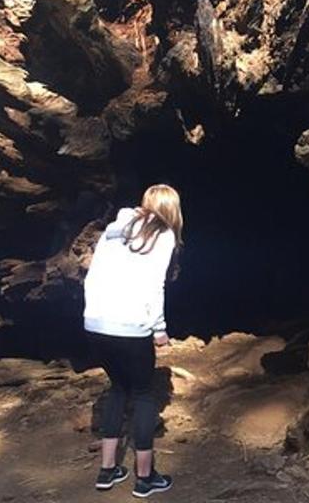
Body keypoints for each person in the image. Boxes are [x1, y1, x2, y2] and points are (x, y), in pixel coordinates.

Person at [83, 184, 183, 498]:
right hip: (132, 325)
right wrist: (159, 328)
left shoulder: (114, 230)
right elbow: (155, 285)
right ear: (171, 210)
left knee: (117, 389)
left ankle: (107, 470)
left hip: (96, 322)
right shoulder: (163, 235)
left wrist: (92, 314)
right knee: (142, 394)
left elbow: (92, 274)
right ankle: (145, 478)